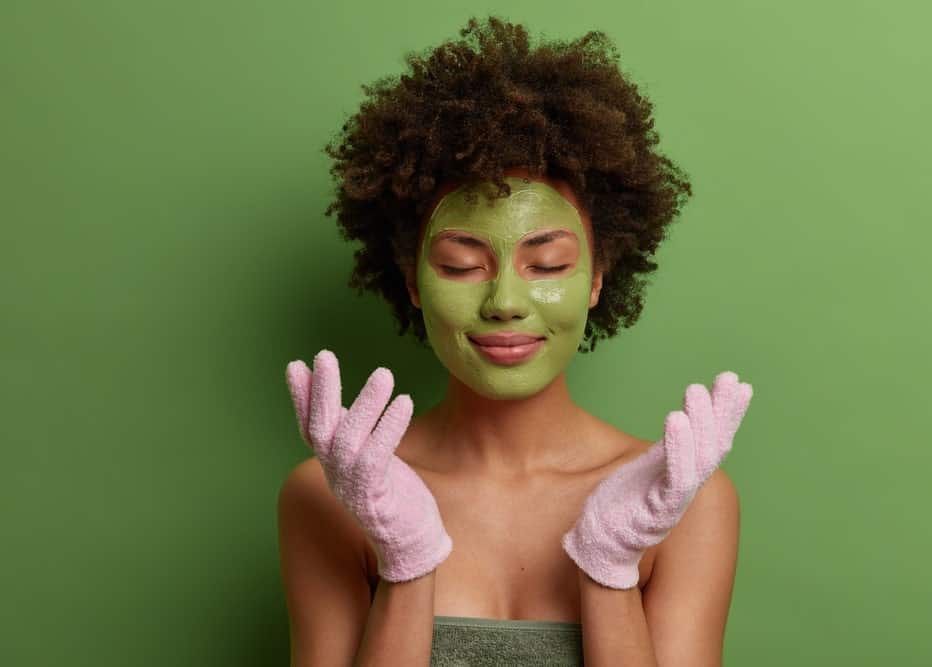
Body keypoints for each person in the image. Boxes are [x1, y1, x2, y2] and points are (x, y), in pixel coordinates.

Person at [278, 17, 753, 666]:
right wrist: (408, 561)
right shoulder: (331, 495)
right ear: (411, 279)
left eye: (549, 263)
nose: (504, 301)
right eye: (460, 264)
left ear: (596, 278)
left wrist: (611, 565)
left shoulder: (681, 498)